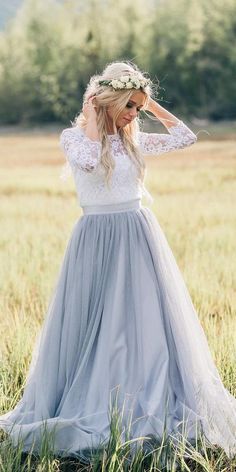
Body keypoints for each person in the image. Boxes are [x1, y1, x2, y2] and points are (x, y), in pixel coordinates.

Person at [0, 60, 235, 463]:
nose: (132, 115)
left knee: (141, 322)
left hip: (138, 235)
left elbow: (186, 137)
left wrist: (149, 104)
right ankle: (91, 396)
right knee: (94, 321)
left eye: (137, 109)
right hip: (95, 239)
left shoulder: (134, 141)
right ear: (106, 102)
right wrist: (93, 117)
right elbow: (89, 161)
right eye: (128, 106)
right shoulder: (73, 138)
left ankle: (146, 394)